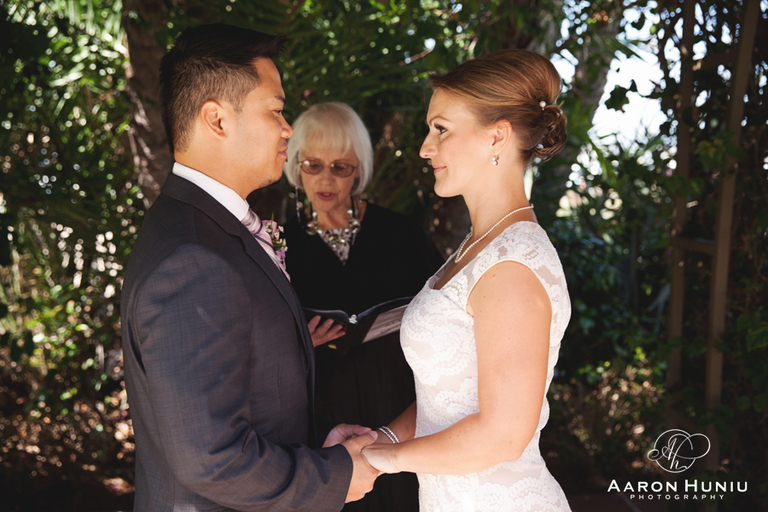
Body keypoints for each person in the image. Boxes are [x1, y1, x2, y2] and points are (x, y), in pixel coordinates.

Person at [120, 24, 379, 512]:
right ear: (216, 119)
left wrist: (320, 441)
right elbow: (211, 457)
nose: (287, 129)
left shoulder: (207, 227)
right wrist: (336, 473)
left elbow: (243, 395)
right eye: (277, 111)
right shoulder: (192, 258)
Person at [362, 49, 573, 511]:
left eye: (440, 129)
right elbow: (450, 395)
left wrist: (383, 460)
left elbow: (502, 435)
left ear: (497, 137)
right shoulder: (477, 248)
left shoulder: (511, 264)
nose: (424, 147)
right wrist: (380, 437)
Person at [282, 102, 443, 512]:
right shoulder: (278, 243)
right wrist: (298, 341)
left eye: (341, 167)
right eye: (313, 165)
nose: (326, 180)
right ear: (295, 164)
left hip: (396, 397)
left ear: (360, 168)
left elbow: (447, 309)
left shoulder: (400, 232)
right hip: (324, 406)